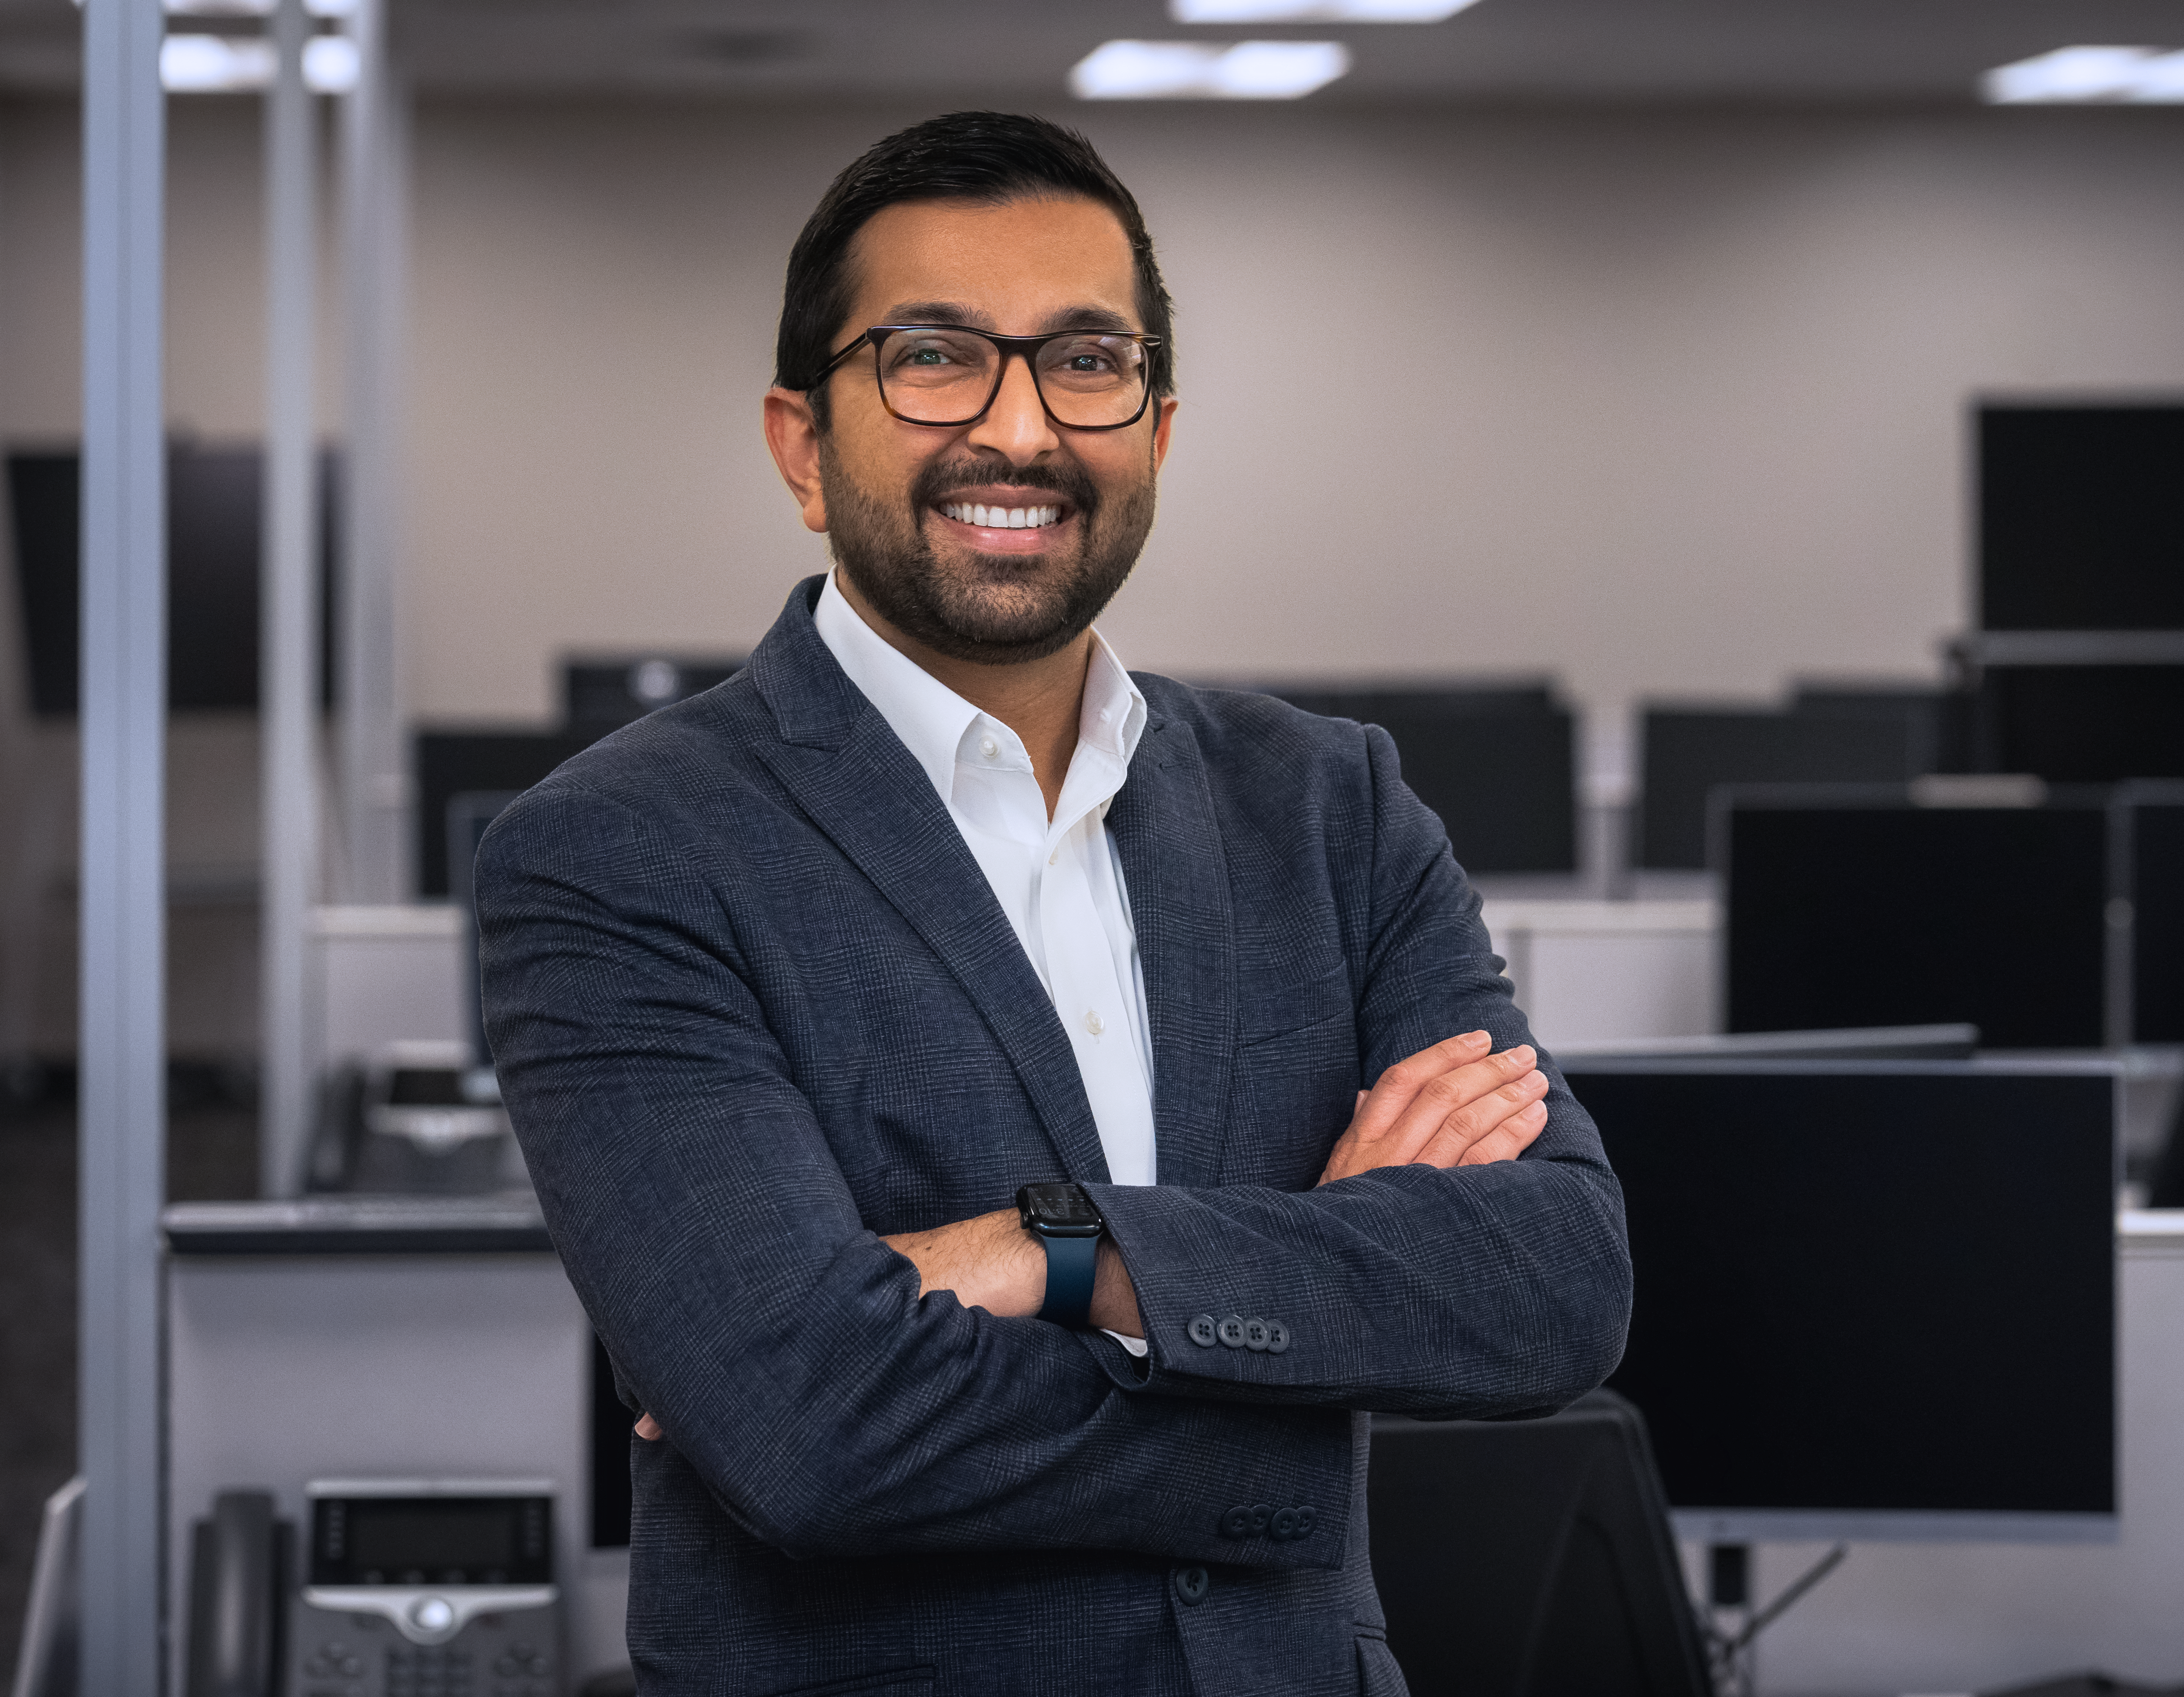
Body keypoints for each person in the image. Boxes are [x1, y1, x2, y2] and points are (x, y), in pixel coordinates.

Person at [476, 110, 1632, 1695]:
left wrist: (1052, 1251)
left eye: (1085, 362)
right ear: (803, 444)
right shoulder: (621, 850)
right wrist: (1301, 1386)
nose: (1019, 430)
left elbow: (1552, 1281)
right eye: (934, 356)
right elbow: (811, 1427)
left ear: (1156, 430)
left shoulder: (1326, 805)